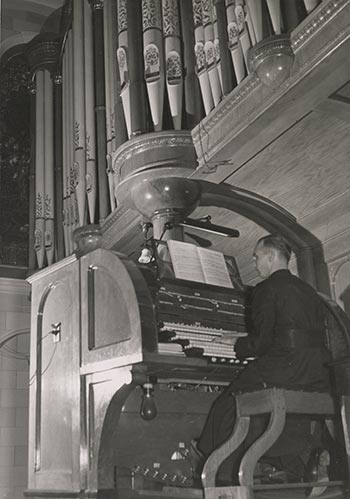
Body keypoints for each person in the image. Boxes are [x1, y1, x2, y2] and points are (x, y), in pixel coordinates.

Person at [193, 234, 331, 484]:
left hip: (284, 367)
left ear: (271, 257)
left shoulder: (265, 289)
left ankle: (221, 474)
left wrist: (237, 344)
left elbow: (261, 344)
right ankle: (286, 463)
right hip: (316, 372)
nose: (255, 262)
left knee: (227, 404)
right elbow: (288, 330)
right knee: (257, 397)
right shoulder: (308, 290)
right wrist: (245, 334)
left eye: (257, 257)